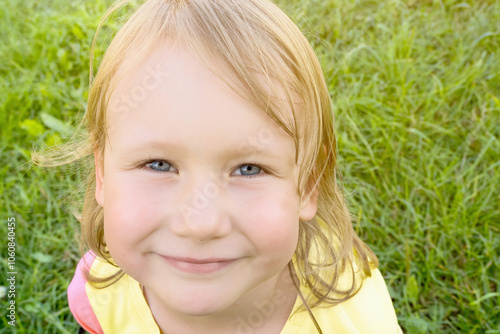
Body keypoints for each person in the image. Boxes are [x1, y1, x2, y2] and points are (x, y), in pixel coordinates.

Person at [37, 0, 403, 332]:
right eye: (159, 164)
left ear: (308, 181)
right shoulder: (106, 288)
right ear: (102, 173)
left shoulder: (353, 324)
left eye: (248, 169)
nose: (200, 223)